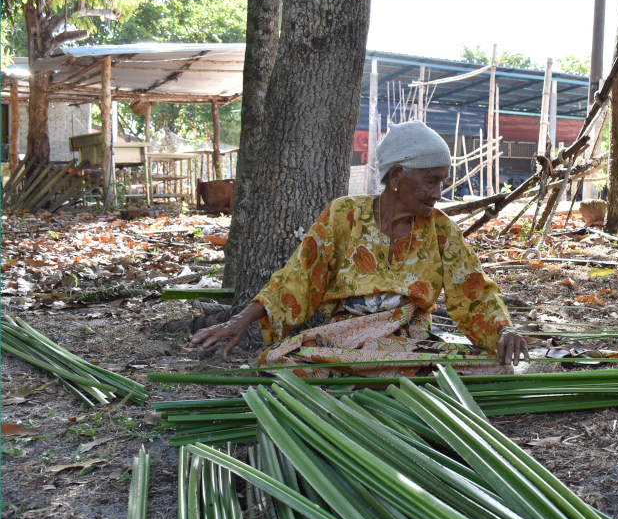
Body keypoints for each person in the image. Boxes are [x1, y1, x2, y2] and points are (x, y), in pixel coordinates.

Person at [190, 121, 530, 378]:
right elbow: (298, 278)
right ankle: (384, 381)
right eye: (431, 180)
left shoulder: (440, 229)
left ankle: (374, 380)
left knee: (499, 368)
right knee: (277, 362)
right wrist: (240, 320)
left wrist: (504, 330)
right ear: (396, 175)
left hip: (409, 345)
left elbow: (475, 290)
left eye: (441, 181)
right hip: (344, 342)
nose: (438, 192)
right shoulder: (343, 215)